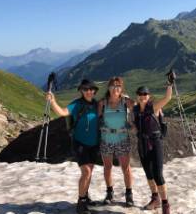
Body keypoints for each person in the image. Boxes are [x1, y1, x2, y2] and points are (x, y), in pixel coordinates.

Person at [46, 79, 99, 214]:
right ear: (81, 91)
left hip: (94, 144)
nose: (89, 92)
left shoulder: (97, 104)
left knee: (90, 171)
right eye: (86, 89)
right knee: (86, 172)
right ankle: (81, 203)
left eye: (91, 89)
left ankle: (86, 196)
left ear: (94, 91)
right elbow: (63, 112)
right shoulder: (77, 104)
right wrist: (52, 101)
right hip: (80, 143)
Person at [133, 83, 173, 214]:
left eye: (145, 94)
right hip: (142, 144)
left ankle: (165, 205)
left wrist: (169, 84)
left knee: (158, 175)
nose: (142, 96)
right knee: (149, 175)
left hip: (155, 144)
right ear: (137, 96)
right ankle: (155, 199)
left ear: (149, 96)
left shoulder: (154, 107)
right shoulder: (136, 110)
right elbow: (136, 127)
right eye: (140, 94)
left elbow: (167, 98)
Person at [98, 76, 136, 207]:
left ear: (121, 88)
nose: (116, 88)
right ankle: (109, 193)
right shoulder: (102, 103)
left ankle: (129, 194)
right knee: (107, 167)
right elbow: (96, 119)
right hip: (106, 139)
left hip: (122, 138)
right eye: (113, 86)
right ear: (108, 88)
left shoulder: (126, 102)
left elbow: (141, 107)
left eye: (118, 86)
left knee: (126, 167)